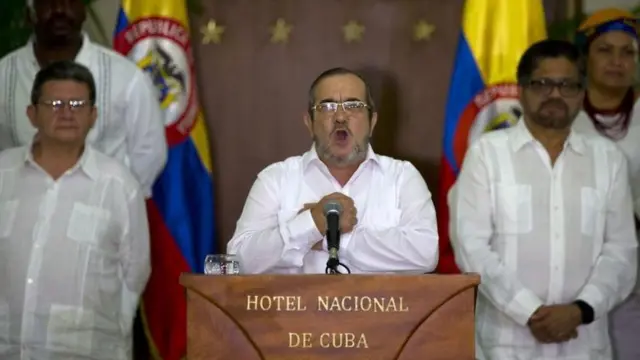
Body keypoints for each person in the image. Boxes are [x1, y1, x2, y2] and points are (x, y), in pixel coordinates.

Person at [448, 39, 637, 359]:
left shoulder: (608, 159)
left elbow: (621, 250)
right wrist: (530, 311)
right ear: (521, 90)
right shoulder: (487, 154)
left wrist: (581, 309)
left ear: (582, 92)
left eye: (567, 85)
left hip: (584, 344)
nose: (555, 94)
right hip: (507, 346)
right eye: (542, 83)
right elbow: (471, 246)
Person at [0, 61, 150, 359]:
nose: (67, 112)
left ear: (93, 116)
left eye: (78, 104)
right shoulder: (3, 173)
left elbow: (135, 273)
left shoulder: (119, 185)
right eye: (55, 103)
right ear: (32, 114)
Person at [227, 67, 439, 274]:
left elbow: (425, 253)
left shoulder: (402, 178)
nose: (340, 117)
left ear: (372, 122)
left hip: (382, 310)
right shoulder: (275, 180)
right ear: (309, 122)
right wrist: (311, 222)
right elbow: (238, 260)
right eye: (327, 107)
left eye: (353, 105)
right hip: (296, 310)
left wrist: (327, 235)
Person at [0, 0, 166, 197]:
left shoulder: (126, 77)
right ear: (30, 14)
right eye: (47, 2)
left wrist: (113, 201)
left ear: (84, 11)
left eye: (70, 1)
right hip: (22, 211)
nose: (60, 9)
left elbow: (149, 151)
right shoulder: (4, 75)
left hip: (103, 214)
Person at [572, 8, 640, 360]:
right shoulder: (560, 118)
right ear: (584, 57)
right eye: (605, 50)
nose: (617, 61)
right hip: (570, 281)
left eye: (627, 52)